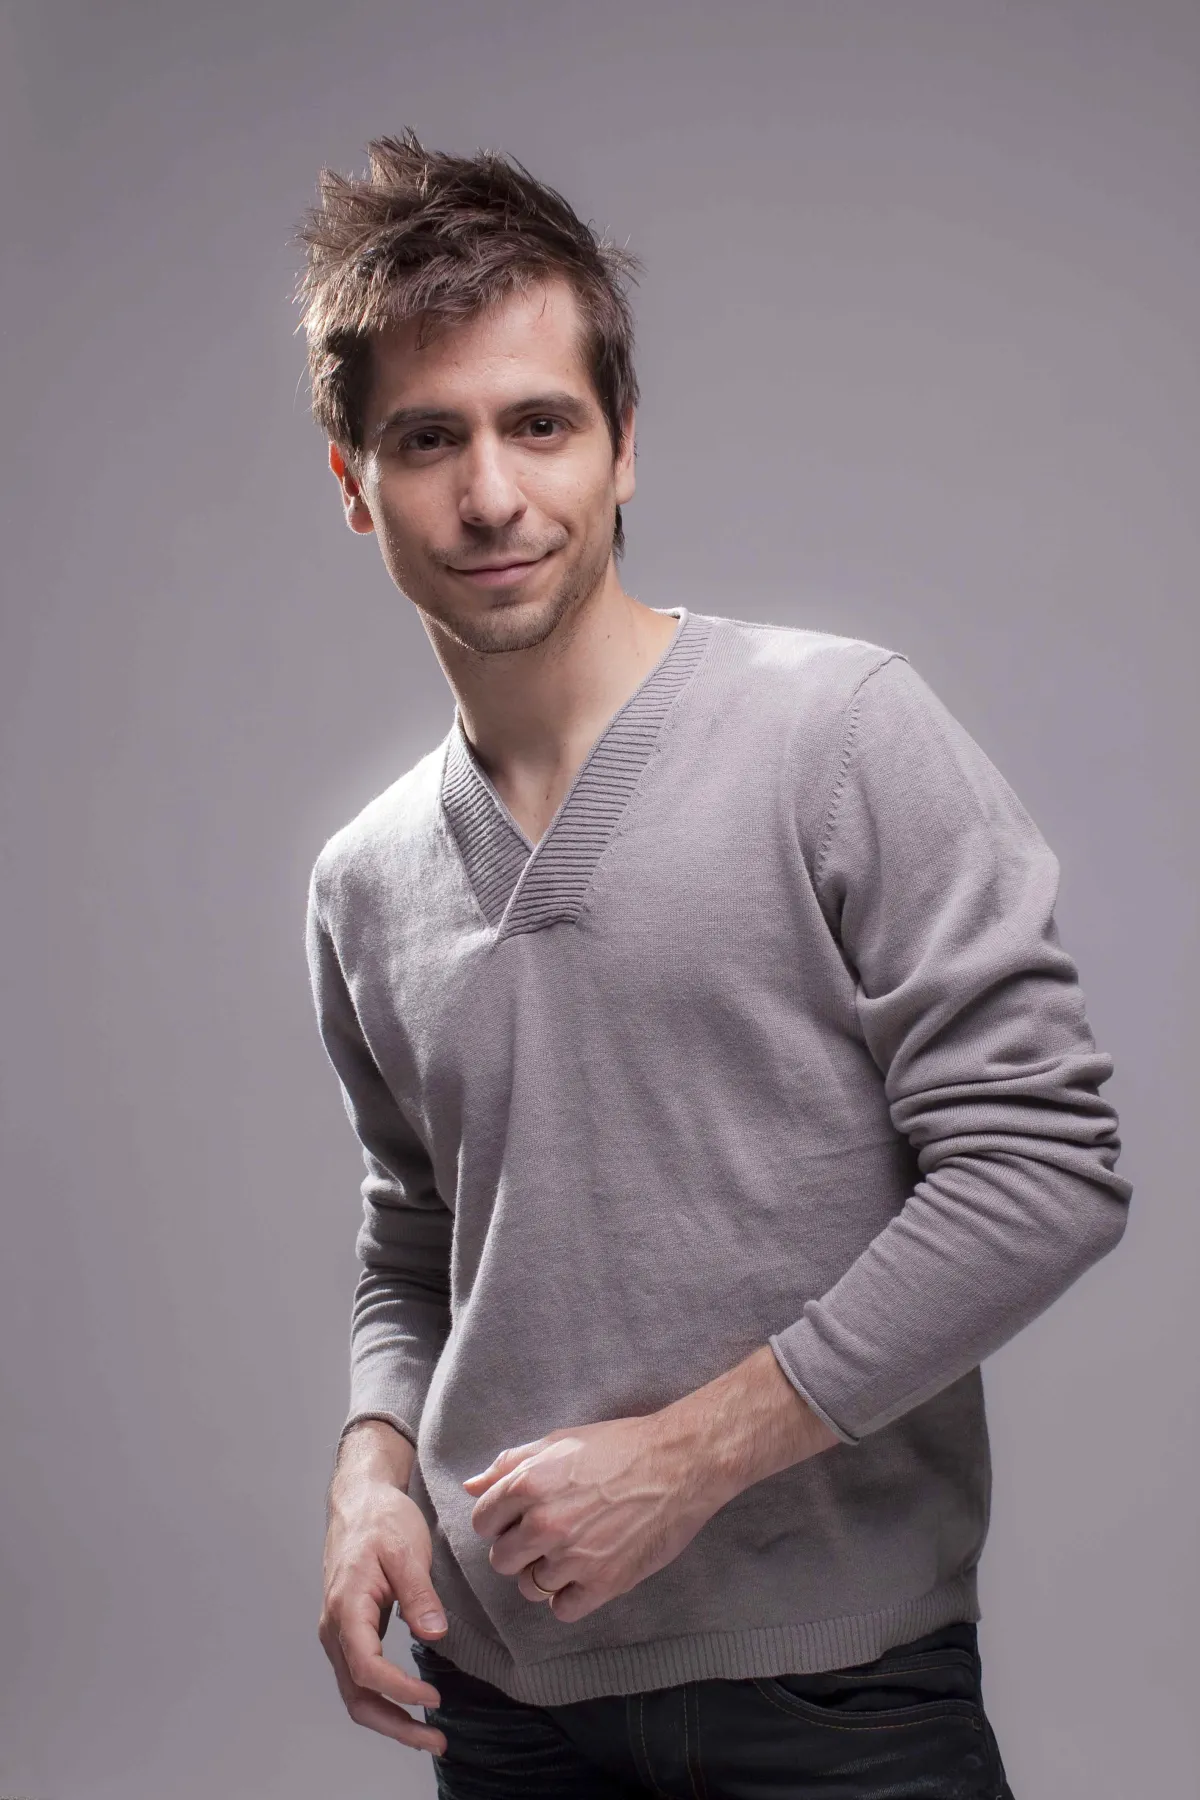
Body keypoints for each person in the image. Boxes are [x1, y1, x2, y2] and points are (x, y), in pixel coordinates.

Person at [295, 130, 1131, 1799]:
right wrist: (372, 1469)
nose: (491, 494)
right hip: (505, 1706)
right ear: (354, 481)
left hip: (838, 1698)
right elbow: (416, 1239)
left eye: (542, 424)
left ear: (625, 448)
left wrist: (688, 1461)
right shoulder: (364, 880)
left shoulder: (838, 735)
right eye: (429, 438)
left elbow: (1044, 1167)